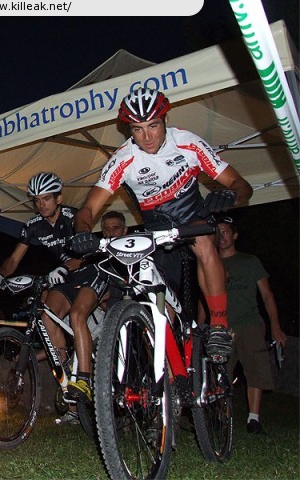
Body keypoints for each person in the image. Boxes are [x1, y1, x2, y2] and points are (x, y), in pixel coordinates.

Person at [75, 87, 253, 363]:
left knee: (204, 241)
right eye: (137, 129)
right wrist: (83, 233)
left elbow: (241, 185)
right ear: (129, 130)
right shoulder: (123, 160)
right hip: (157, 226)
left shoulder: (187, 142)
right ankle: (169, 374)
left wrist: (230, 195)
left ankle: (218, 323)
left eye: (153, 126)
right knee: (158, 295)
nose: (147, 137)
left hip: (192, 214)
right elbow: (88, 209)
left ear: (165, 120)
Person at [0, 172, 108, 402]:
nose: (41, 204)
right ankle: (65, 374)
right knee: (46, 317)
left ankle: (84, 379)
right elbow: (14, 260)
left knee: (76, 315)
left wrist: (65, 266)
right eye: (37, 200)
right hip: (65, 276)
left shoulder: (74, 217)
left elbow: (87, 252)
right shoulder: (33, 226)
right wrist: (0, 274)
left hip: (91, 270)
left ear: (59, 199)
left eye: (47, 199)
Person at [216, 216, 287, 434]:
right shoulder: (211, 263)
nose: (222, 237)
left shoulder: (249, 261)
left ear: (235, 235)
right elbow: (204, 298)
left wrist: (275, 326)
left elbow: (267, 295)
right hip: (222, 326)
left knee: (254, 370)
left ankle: (253, 419)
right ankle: (221, 417)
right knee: (220, 373)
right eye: (217, 232)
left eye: (226, 232)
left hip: (250, 323)